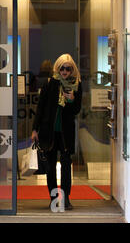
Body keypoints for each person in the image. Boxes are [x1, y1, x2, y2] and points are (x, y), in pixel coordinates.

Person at [31, 54, 82, 210]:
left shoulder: (77, 84)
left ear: (72, 69)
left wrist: (72, 99)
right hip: (49, 131)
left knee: (66, 167)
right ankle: (53, 199)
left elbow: (76, 110)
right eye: (62, 68)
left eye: (68, 68)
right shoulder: (50, 83)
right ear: (57, 68)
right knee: (50, 167)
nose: (65, 71)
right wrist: (35, 129)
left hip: (66, 133)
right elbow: (40, 108)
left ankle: (66, 199)